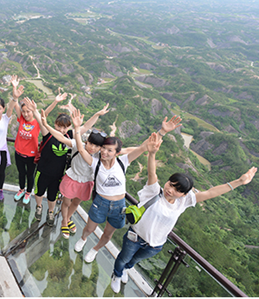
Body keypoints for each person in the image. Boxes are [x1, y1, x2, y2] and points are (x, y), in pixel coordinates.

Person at [110, 133, 257, 293]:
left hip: (155, 245)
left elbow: (210, 193)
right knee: (123, 258)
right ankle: (117, 274)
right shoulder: (154, 191)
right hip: (135, 237)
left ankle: (125, 270)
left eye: (177, 190)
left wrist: (239, 182)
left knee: (133, 261)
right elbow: (152, 173)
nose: (170, 190)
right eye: (170, 184)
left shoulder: (183, 202)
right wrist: (152, 154)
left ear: (184, 194)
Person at [70, 110, 182, 263]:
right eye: (103, 148)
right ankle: (83, 239)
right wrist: (77, 128)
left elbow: (144, 147)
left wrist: (162, 132)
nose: (104, 152)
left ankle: (95, 249)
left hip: (119, 206)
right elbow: (81, 149)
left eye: (109, 150)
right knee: (89, 228)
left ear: (116, 152)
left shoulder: (123, 161)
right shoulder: (95, 163)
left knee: (108, 234)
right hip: (100, 203)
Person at [36, 102, 110, 232]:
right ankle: (41, 208)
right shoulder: (66, 139)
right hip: (49, 171)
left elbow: (87, 126)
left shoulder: (73, 137)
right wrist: (46, 122)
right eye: (60, 127)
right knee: (44, 192)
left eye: (65, 128)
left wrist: (97, 114)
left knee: (57, 197)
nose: (62, 130)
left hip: (61, 174)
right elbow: (57, 135)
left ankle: (57, 215)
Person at [11, 77, 63, 204]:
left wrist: (55, 101)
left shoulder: (37, 122)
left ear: (32, 112)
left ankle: (28, 192)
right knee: (21, 174)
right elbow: (15, 102)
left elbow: (46, 113)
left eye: (28, 111)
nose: (26, 114)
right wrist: (14, 89)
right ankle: (21, 189)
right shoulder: (21, 119)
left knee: (30, 175)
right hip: (18, 152)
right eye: (24, 112)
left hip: (31, 155)